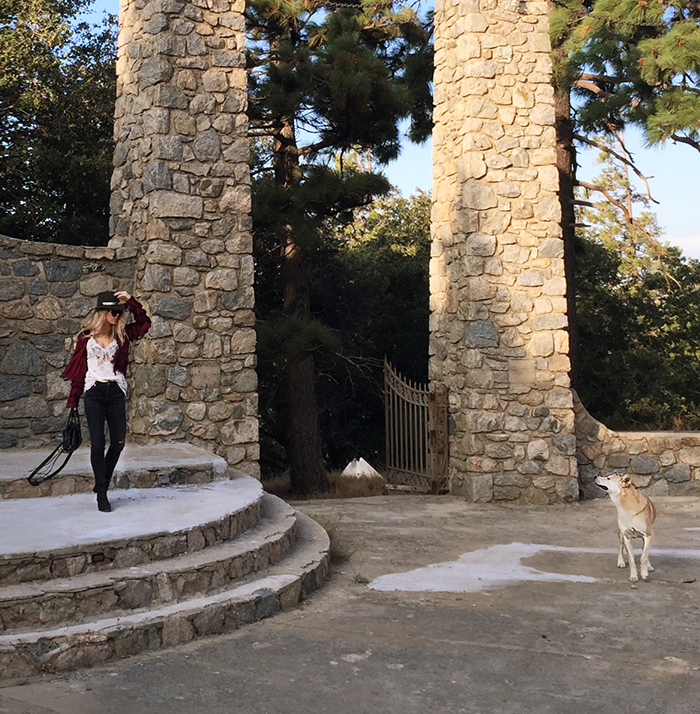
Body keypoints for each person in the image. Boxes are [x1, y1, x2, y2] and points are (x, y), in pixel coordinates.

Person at [62, 290, 151, 512]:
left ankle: (102, 480)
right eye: (114, 312)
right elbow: (78, 372)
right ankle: (102, 493)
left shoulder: (123, 335)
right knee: (98, 443)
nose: (118, 316)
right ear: (102, 313)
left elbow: (145, 323)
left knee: (119, 442)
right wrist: (73, 401)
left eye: (119, 312)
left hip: (116, 393)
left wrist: (130, 301)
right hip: (94, 393)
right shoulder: (85, 338)